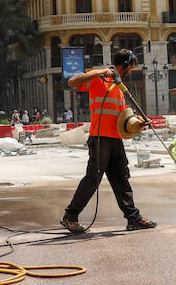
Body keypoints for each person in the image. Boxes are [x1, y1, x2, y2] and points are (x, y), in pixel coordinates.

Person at [61, 49, 155, 233]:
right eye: (130, 68)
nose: (130, 72)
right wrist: (100, 72)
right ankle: (70, 216)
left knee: (122, 178)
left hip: (115, 140)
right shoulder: (99, 80)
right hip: (100, 139)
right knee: (92, 178)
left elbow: (123, 119)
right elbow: (72, 81)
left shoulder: (120, 89)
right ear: (125, 65)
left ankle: (133, 218)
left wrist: (139, 123)